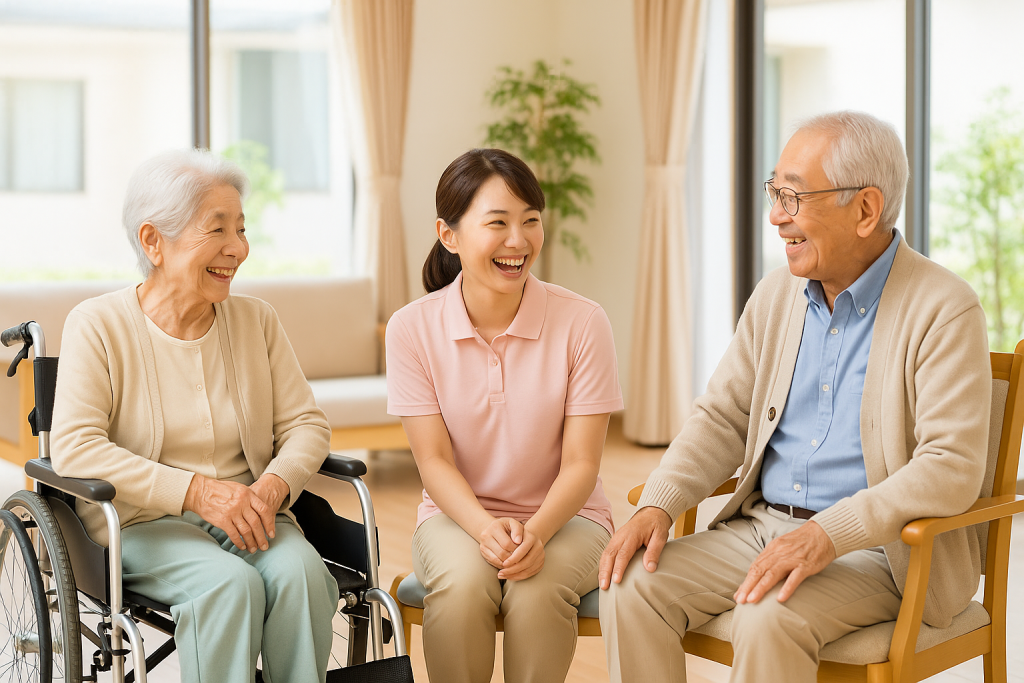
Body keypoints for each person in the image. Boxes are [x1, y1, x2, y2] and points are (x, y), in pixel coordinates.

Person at [599, 111, 991, 683]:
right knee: (630, 584)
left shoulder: (944, 309)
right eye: (775, 192)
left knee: (767, 615)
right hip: (760, 528)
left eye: (794, 197)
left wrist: (829, 533)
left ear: (866, 210)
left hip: (882, 554)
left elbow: (950, 466)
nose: (776, 216)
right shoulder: (776, 295)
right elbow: (722, 416)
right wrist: (658, 502)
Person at [51, 149, 339, 683]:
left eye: (242, 229)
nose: (238, 248)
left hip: (251, 512)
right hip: (140, 522)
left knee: (302, 575)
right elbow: (76, 447)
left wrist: (274, 484)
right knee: (228, 587)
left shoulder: (257, 320)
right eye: (218, 229)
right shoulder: (97, 324)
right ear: (153, 241)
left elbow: (306, 424)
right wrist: (198, 492)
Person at [385, 148, 623, 683]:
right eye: (497, 223)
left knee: (537, 588)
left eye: (530, 221)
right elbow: (433, 460)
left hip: (570, 516)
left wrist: (536, 532)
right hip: (456, 516)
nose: (519, 241)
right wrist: (484, 528)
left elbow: (582, 463)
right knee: (463, 586)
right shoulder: (411, 329)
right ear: (448, 235)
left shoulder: (583, 322)